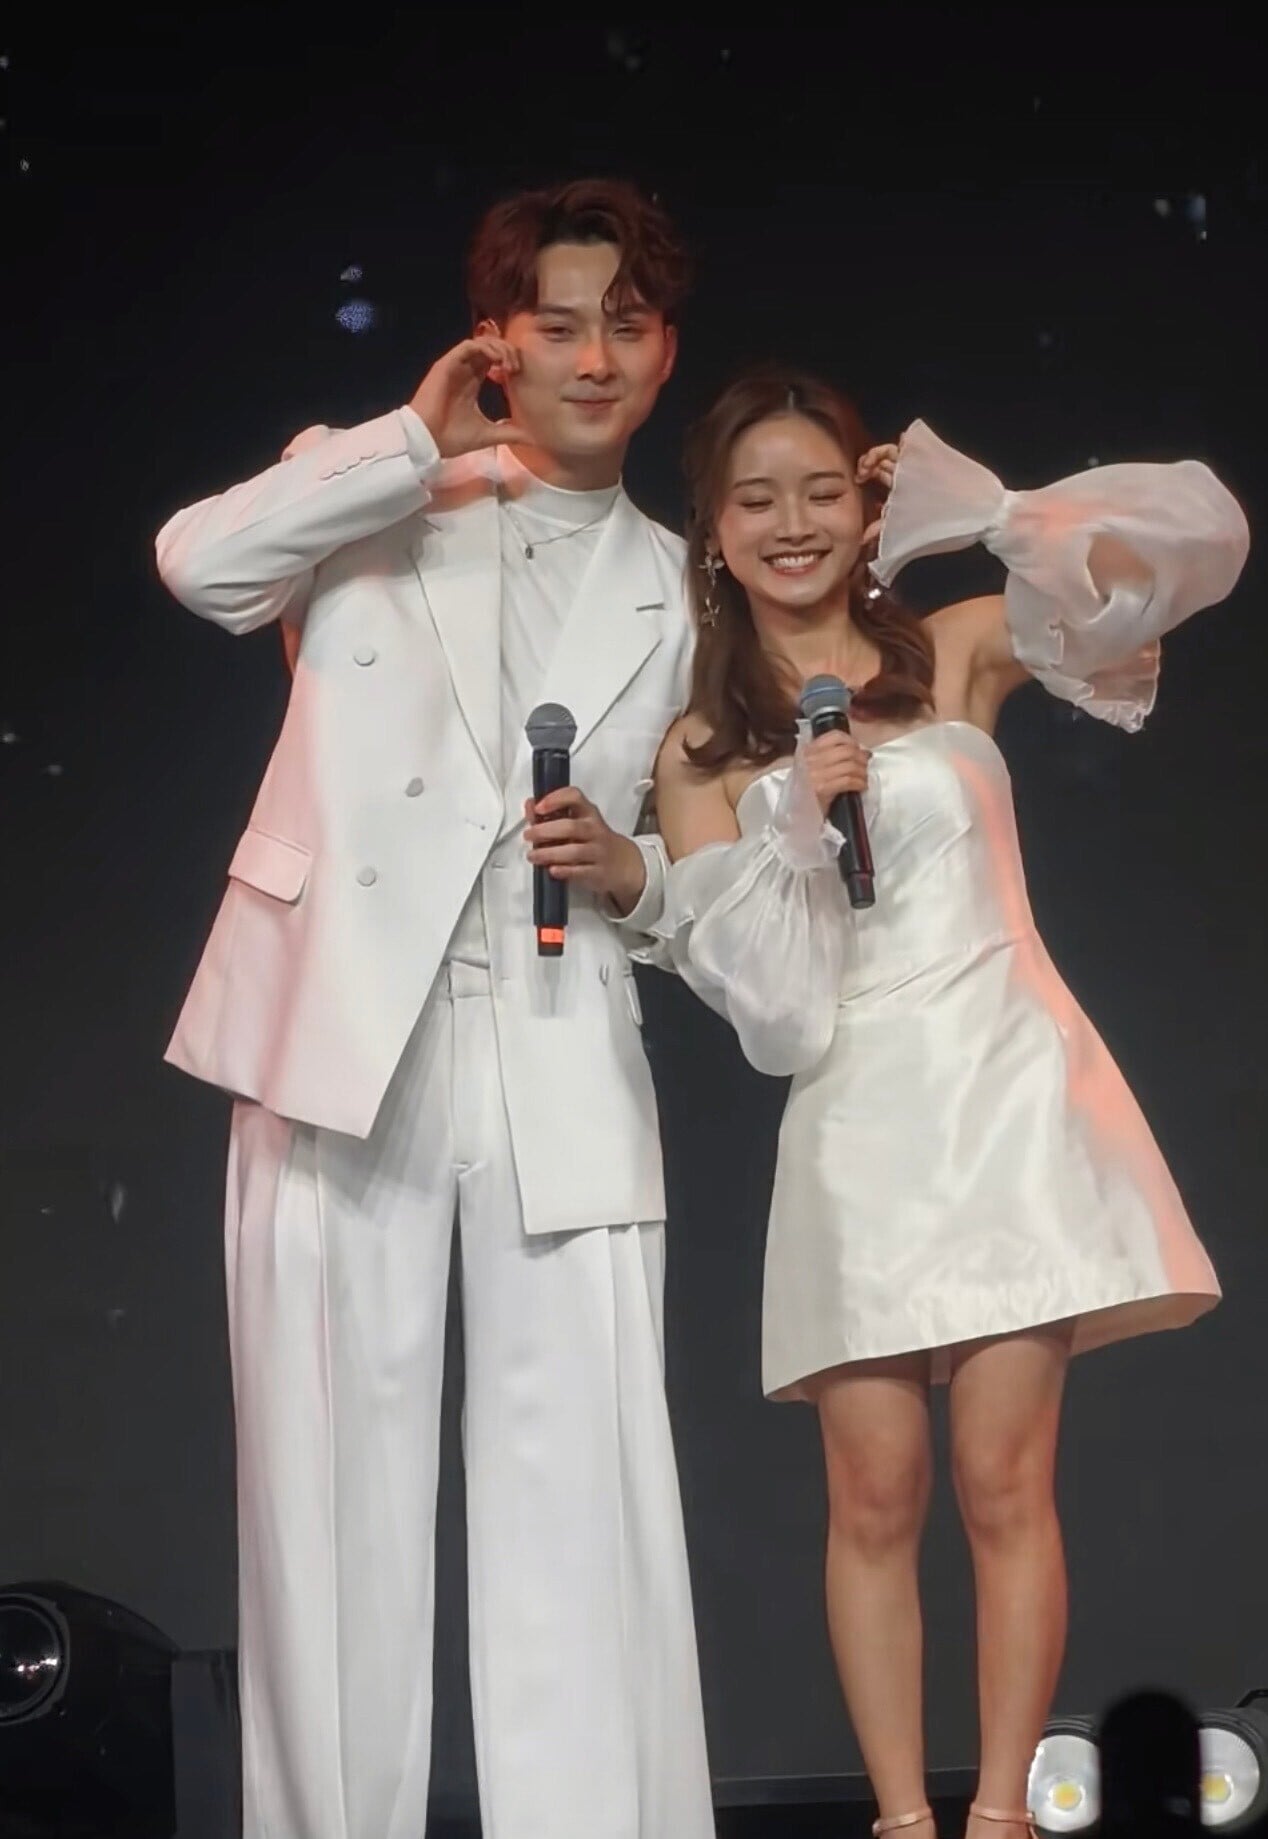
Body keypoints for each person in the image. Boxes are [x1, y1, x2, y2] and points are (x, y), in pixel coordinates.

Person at [154, 178, 715, 1839]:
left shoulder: (684, 590)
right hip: (342, 1033)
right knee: (327, 1501)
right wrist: (408, 437)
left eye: (626, 324)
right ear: (496, 340)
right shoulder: (377, 493)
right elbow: (197, 566)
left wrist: (637, 877)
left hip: (560, 1033)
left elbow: (709, 884)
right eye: (559, 323)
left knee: (580, 1509)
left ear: (665, 350)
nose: (592, 358)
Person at [652, 371, 1248, 1839]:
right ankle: (900, 1822)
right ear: (712, 530)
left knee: (1003, 1480)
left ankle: (996, 1817)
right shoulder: (701, 751)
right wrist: (794, 823)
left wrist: (991, 512)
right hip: (853, 1109)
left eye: (820, 491)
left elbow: (1189, 546)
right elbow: (771, 1017)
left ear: (864, 508)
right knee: (873, 1494)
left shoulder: (956, 648)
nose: (792, 524)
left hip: (1005, 1089)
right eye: (755, 500)